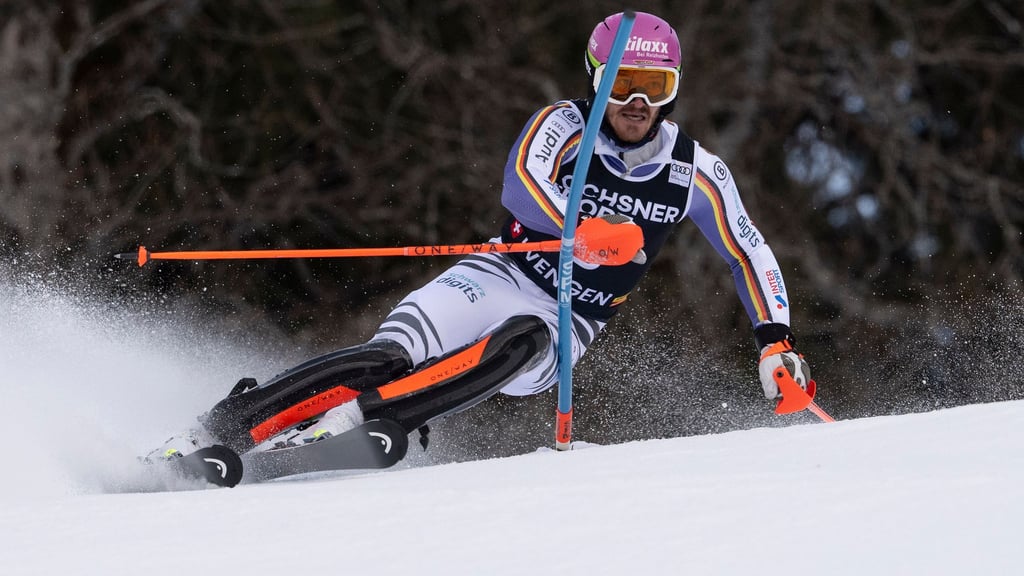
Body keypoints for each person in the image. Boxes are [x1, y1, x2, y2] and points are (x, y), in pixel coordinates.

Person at [149, 11, 812, 462]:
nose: (638, 103)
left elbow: (747, 249)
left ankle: (364, 424)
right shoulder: (563, 125)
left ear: (673, 90)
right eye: (625, 85)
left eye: (655, 87)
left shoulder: (696, 171)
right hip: (496, 275)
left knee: (522, 343)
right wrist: (581, 231)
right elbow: (520, 184)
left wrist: (774, 345)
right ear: (597, 79)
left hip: (568, 321)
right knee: (387, 355)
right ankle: (221, 429)